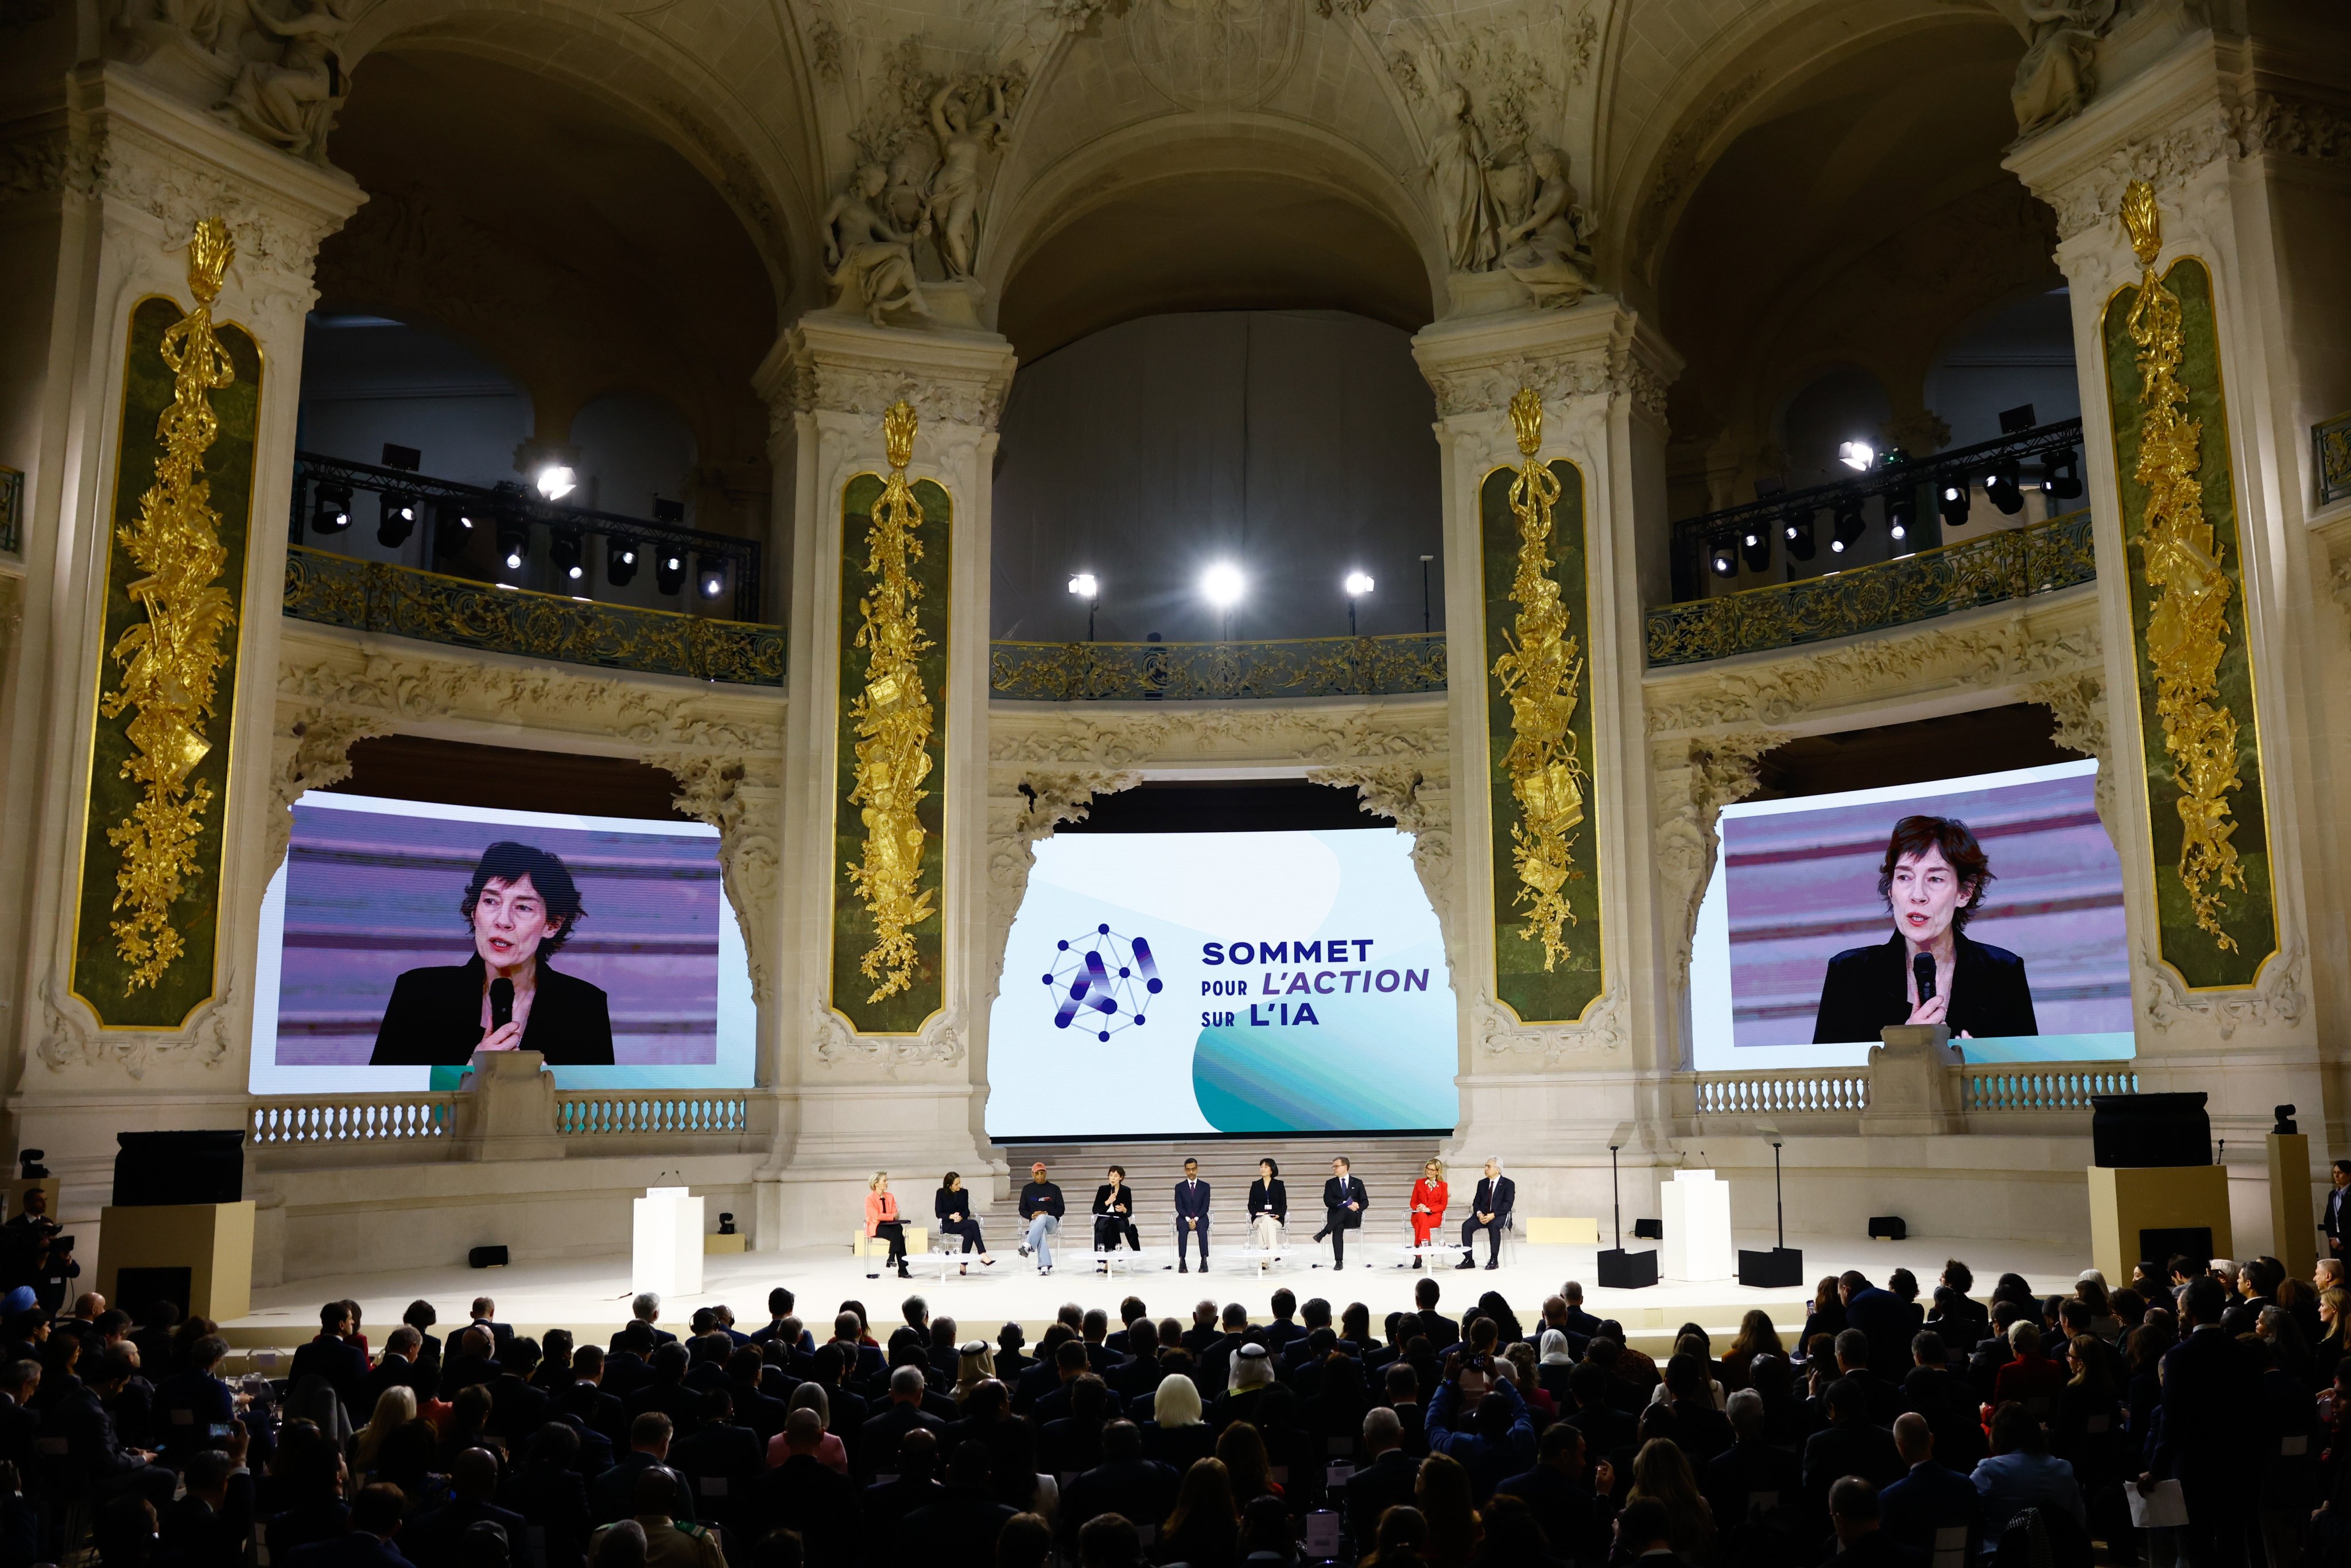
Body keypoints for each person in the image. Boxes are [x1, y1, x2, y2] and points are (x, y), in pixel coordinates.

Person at [371, 840, 616, 1066]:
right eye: (491, 901)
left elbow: (599, 1110)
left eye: (523, 907)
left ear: (552, 925)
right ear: (474, 912)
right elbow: (380, 1102)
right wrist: (467, 1079)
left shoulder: (584, 1006)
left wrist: (551, 1090)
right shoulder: (418, 992)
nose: (502, 921)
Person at [1811, 816, 2036, 1044]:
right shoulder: (1851, 973)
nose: (1917, 895)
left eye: (1935, 879)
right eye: (1904, 877)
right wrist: (1903, 1050)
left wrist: (1980, 1065)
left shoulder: (2001, 972)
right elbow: (1827, 1075)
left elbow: (2029, 1072)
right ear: (1891, 889)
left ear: (1964, 892)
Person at [1458, 1159, 1514, 1272]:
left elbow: (1508, 1204)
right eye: (1485, 1166)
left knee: (1493, 1225)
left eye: (1489, 1167)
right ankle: (1468, 1259)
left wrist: (1493, 1215)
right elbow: (1476, 1202)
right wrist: (1479, 1214)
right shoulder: (1482, 1183)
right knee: (1466, 1226)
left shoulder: (1508, 1184)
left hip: (1500, 1215)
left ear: (1498, 1169)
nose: (1485, 1169)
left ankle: (1494, 1259)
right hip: (1482, 1215)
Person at [1314, 1158, 1367, 1270]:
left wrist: (1357, 1206)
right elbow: (1327, 1201)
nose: (1334, 1169)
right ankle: (1339, 1261)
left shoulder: (1357, 1183)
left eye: (1336, 1166)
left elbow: (1365, 1202)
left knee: (1345, 1210)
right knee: (1338, 1225)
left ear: (1345, 1167)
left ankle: (1323, 1233)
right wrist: (1345, 1203)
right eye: (1333, 1166)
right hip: (1336, 1219)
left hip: (1352, 1217)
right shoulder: (1330, 1183)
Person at [933, 1173, 992, 1273]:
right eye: (956, 1184)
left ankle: (963, 1265)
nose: (959, 1186)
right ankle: (982, 1253)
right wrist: (951, 1216)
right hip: (948, 1225)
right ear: (949, 1185)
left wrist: (961, 1217)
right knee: (973, 1224)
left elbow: (967, 1211)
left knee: (969, 1234)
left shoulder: (964, 1193)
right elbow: (939, 1213)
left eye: (960, 1183)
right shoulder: (941, 1193)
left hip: (960, 1223)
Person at [1017, 1163, 1064, 1276]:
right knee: (1040, 1230)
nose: (1040, 1175)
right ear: (1033, 1175)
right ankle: (1044, 1266)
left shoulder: (1055, 1189)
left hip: (1051, 1221)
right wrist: (1032, 1216)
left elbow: (1061, 1209)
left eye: (1042, 1173)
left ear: (1046, 1174)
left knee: (1042, 1217)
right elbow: (1022, 1210)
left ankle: (1027, 1245)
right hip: (1035, 1222)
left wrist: (1046, 1213)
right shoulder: (1027, 1189)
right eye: (1037, 1173)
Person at [861, 1173, 908, 1282]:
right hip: (876, 1226)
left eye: (887, 1181)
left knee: (898, 1229)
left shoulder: (890, 1196)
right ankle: (902, 1269)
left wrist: (891, 1216)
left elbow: (896, 1213)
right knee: (899, 1235)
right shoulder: (869, 1199)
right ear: (876, 1184)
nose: (887, 1183)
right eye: (885, 1181)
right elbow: (876, 1216)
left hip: (890, 1225)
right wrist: (891, 1216)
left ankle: (892, 1259)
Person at [1090, 1168, 1138, 1264]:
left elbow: (1129, 1213)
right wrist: (1108, 1202)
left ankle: (1108, 1260)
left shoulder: (1126, 1191)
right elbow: (1095, 1210)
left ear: (1121, 1177)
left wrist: (1124, 1210)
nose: (1113, 1178)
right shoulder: (1103, 1189)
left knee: (1111, 1223)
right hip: (1104, 1219)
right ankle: (1114, 1253)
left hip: (1120, 1220)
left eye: (1116, 1176)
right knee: (1108, 1223)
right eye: (1111, 1175)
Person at [1409, 1160, 1450, 1265]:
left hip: (1434, 1216)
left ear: (1437, 1172)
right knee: (1421, 1217)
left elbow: (1443, 1205)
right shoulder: (1419, 1182)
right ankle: (1427, 1243)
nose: (1429, 1171)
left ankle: (1418, 1257)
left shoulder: (1443, 1185)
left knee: (1420, 1225)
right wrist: (1419, 1207)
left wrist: (1429, 1209)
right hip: (1418, 1214)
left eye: (1432, 1170)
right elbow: (1413, 1202)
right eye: (1428, 1169)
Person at [1174, 1159, 1211, 1274]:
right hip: (1184, 1217)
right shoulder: (1179, 1187)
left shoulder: (1205, 1186)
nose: (1191, 1172)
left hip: (1201, 1216)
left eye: (1193, 1169)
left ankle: (1204, 1260)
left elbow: (1206, 1206)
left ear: (1197, 1169)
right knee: (1183, 1229)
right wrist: (1188, 1219)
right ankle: (1182, 1260)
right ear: (1185, 1170)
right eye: (1188, 1170)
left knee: (1202, 1228)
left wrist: (1195, 1219)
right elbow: (1179, 1206)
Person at [1247, 1161, 1287, 1255]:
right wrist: (1257, 1213)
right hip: (1258, 1218)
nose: (1262, 1169)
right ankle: (1274, 1252)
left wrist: (1279, 1214)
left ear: (1272, 1170)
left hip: (1275, 1219)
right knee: (1265, 1219)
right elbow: (1251, 1205)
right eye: (1261, 1167)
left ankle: (1263, 1262)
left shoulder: (1279, 1185)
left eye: (1266, 1167)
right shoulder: (1255, 1185)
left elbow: (1284, 1204)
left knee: (1263, 1227)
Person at [2327, 1161, 2351, 1261]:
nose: (2336, 1176)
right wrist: (2333, 1238)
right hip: (2335, 1244)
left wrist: (2340, 1240)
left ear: (2349, 1175)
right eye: (2335, 1173)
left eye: (2340, 1173)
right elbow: (2328, 1219)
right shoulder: (2332, 1195)